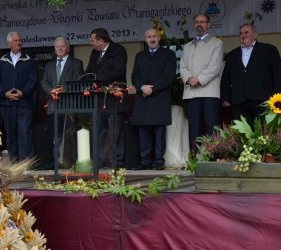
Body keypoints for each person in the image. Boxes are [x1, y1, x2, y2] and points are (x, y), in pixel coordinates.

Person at [220, 23, 281, 123]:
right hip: (239, 101)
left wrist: (280, 98)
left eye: (246, 32)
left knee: (265, 134)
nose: (243, 35)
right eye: (241, 33)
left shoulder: (269, 50)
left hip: (263, 100)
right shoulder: (232, 55)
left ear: (255, 34)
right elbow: (226, 78)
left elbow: (278, 75)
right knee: (243, 136)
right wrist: (225, 97)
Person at [131, 27, 177, 170]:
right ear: (145, 39)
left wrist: (152, 88)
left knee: (159, 132)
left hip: (159, 97)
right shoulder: (140, 55)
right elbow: (135, 76)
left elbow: (168, 76)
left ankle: (158, 161)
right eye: (149, 37)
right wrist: (142, 87)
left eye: (154, 36)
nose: (152, 39)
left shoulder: (168, 54)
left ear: (159, 38)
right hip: (143, 98)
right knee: (143, 131)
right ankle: (145, 161)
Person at [86, 27, 128, 169]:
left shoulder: (119, 51)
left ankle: (117, 162)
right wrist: (86, 81)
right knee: (99, 129)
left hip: (114, 96)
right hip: (99, 97)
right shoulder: (94, 53)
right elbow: (89, 71)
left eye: (93, 40)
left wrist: (96, 80)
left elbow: (117, 71)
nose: (91, 43)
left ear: (101, 40)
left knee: (115, 130)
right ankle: (99, 161)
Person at [181, 13, 224, 152]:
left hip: (209, 92)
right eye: (197, 22)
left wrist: (198, 79)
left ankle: (211, 158)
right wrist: (189, 78)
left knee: (211, 127)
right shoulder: (187, 46)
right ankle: (195, 158)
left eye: (202, 22)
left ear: (208, 24)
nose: (199, 24)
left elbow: (215, 66)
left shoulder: (217, 43)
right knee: (194, 128)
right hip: (191, 94)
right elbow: (182, 67)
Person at [40, 36, 84, 168]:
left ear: (68, 48)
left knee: (69, 135)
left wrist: (62, 90)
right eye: (57, 46)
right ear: (54, 49)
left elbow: (78, 81)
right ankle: (54, 163)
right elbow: (44, 81)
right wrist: (51, 91)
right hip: (53, 105)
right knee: (54, 136)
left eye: (63, 46)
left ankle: (69, 162)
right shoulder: (49, 65)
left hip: (68, 105)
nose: (60, 48)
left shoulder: (77, 63)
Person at [0, 32, 38, 160]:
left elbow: (33, 80)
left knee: (24, 133)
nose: (18, 42)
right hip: (7, 105)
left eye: (20, 40)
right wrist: (5, 93)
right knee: (11, 133)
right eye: (15, 41)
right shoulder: (2, 61)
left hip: (24, 104)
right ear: (9, 43)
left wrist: (22, 93)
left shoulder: (29, 61)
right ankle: (14, 164)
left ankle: (26, 164)